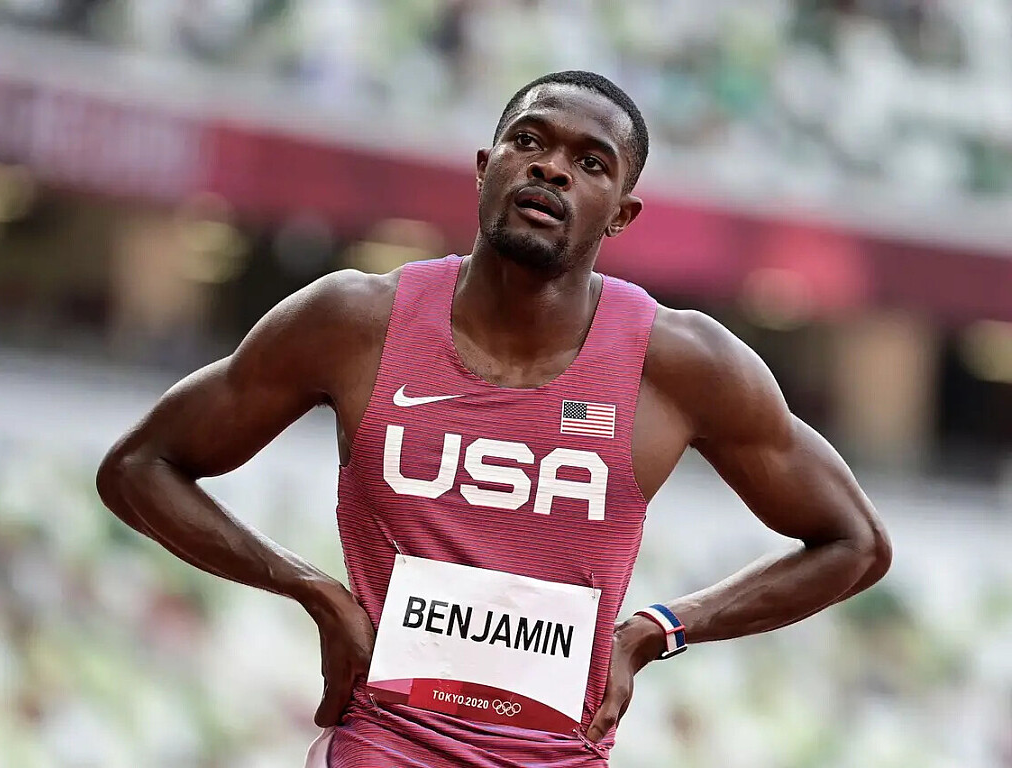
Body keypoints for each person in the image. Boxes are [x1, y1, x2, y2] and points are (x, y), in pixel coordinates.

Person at [96, 70, 892, 767]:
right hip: (382, 744)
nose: (551, 167)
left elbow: (853, 543)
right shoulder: (355, 322)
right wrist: (311, 589)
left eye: (591, 163)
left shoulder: (682, 363)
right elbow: (138, 468)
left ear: (622, 214)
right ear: (486, 167)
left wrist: (657, 630)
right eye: (529, 141)